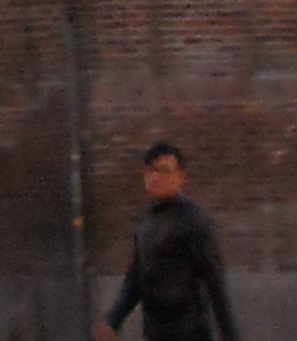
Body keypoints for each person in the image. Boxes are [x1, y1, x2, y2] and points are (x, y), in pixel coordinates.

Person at [101, 141, 237, 341]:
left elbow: (215, 282)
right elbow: (136, 277)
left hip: (190, 331)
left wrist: (230, 336)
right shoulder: (146, 223)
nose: (156, 178)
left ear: (180, 177)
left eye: (165, 171)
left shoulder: (193, 221)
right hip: (155, 331)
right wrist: (114, 320)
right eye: (151, 171)